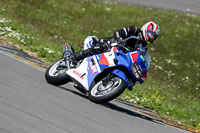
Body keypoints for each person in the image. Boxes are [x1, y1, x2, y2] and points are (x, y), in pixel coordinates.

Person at [70, 21, 161, 63]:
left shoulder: (143, 47)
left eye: (154, 37)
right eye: (151, 34)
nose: (151, 38)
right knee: (101, 47)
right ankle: (74, 57)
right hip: (111, 45)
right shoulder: (134, 30)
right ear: (146, 29)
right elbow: (119, 32)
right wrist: (120, 39)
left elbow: (138, 57)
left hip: (119, 56)